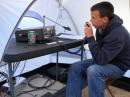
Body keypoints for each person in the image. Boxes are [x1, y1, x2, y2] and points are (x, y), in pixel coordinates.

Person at [66, 1, 130, 97]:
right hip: (106, 58)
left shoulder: (117, 34)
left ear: (104, 19)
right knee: (75, 67)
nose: (90, 21)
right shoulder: (101, 28)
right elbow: (99, 54)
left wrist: (91, 37)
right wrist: (89, 37)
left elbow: (100, 60)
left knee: (94, 70)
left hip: (119, 65)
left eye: (93, 18)